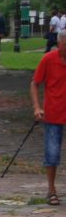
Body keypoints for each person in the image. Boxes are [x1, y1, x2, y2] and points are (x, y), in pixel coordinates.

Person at [31, 29, 66, 205]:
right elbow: (35, 83)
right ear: (59, 43)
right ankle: (51, 190)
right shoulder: (48, 59)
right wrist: (37, 107)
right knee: (52, 153)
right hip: (53, 113)